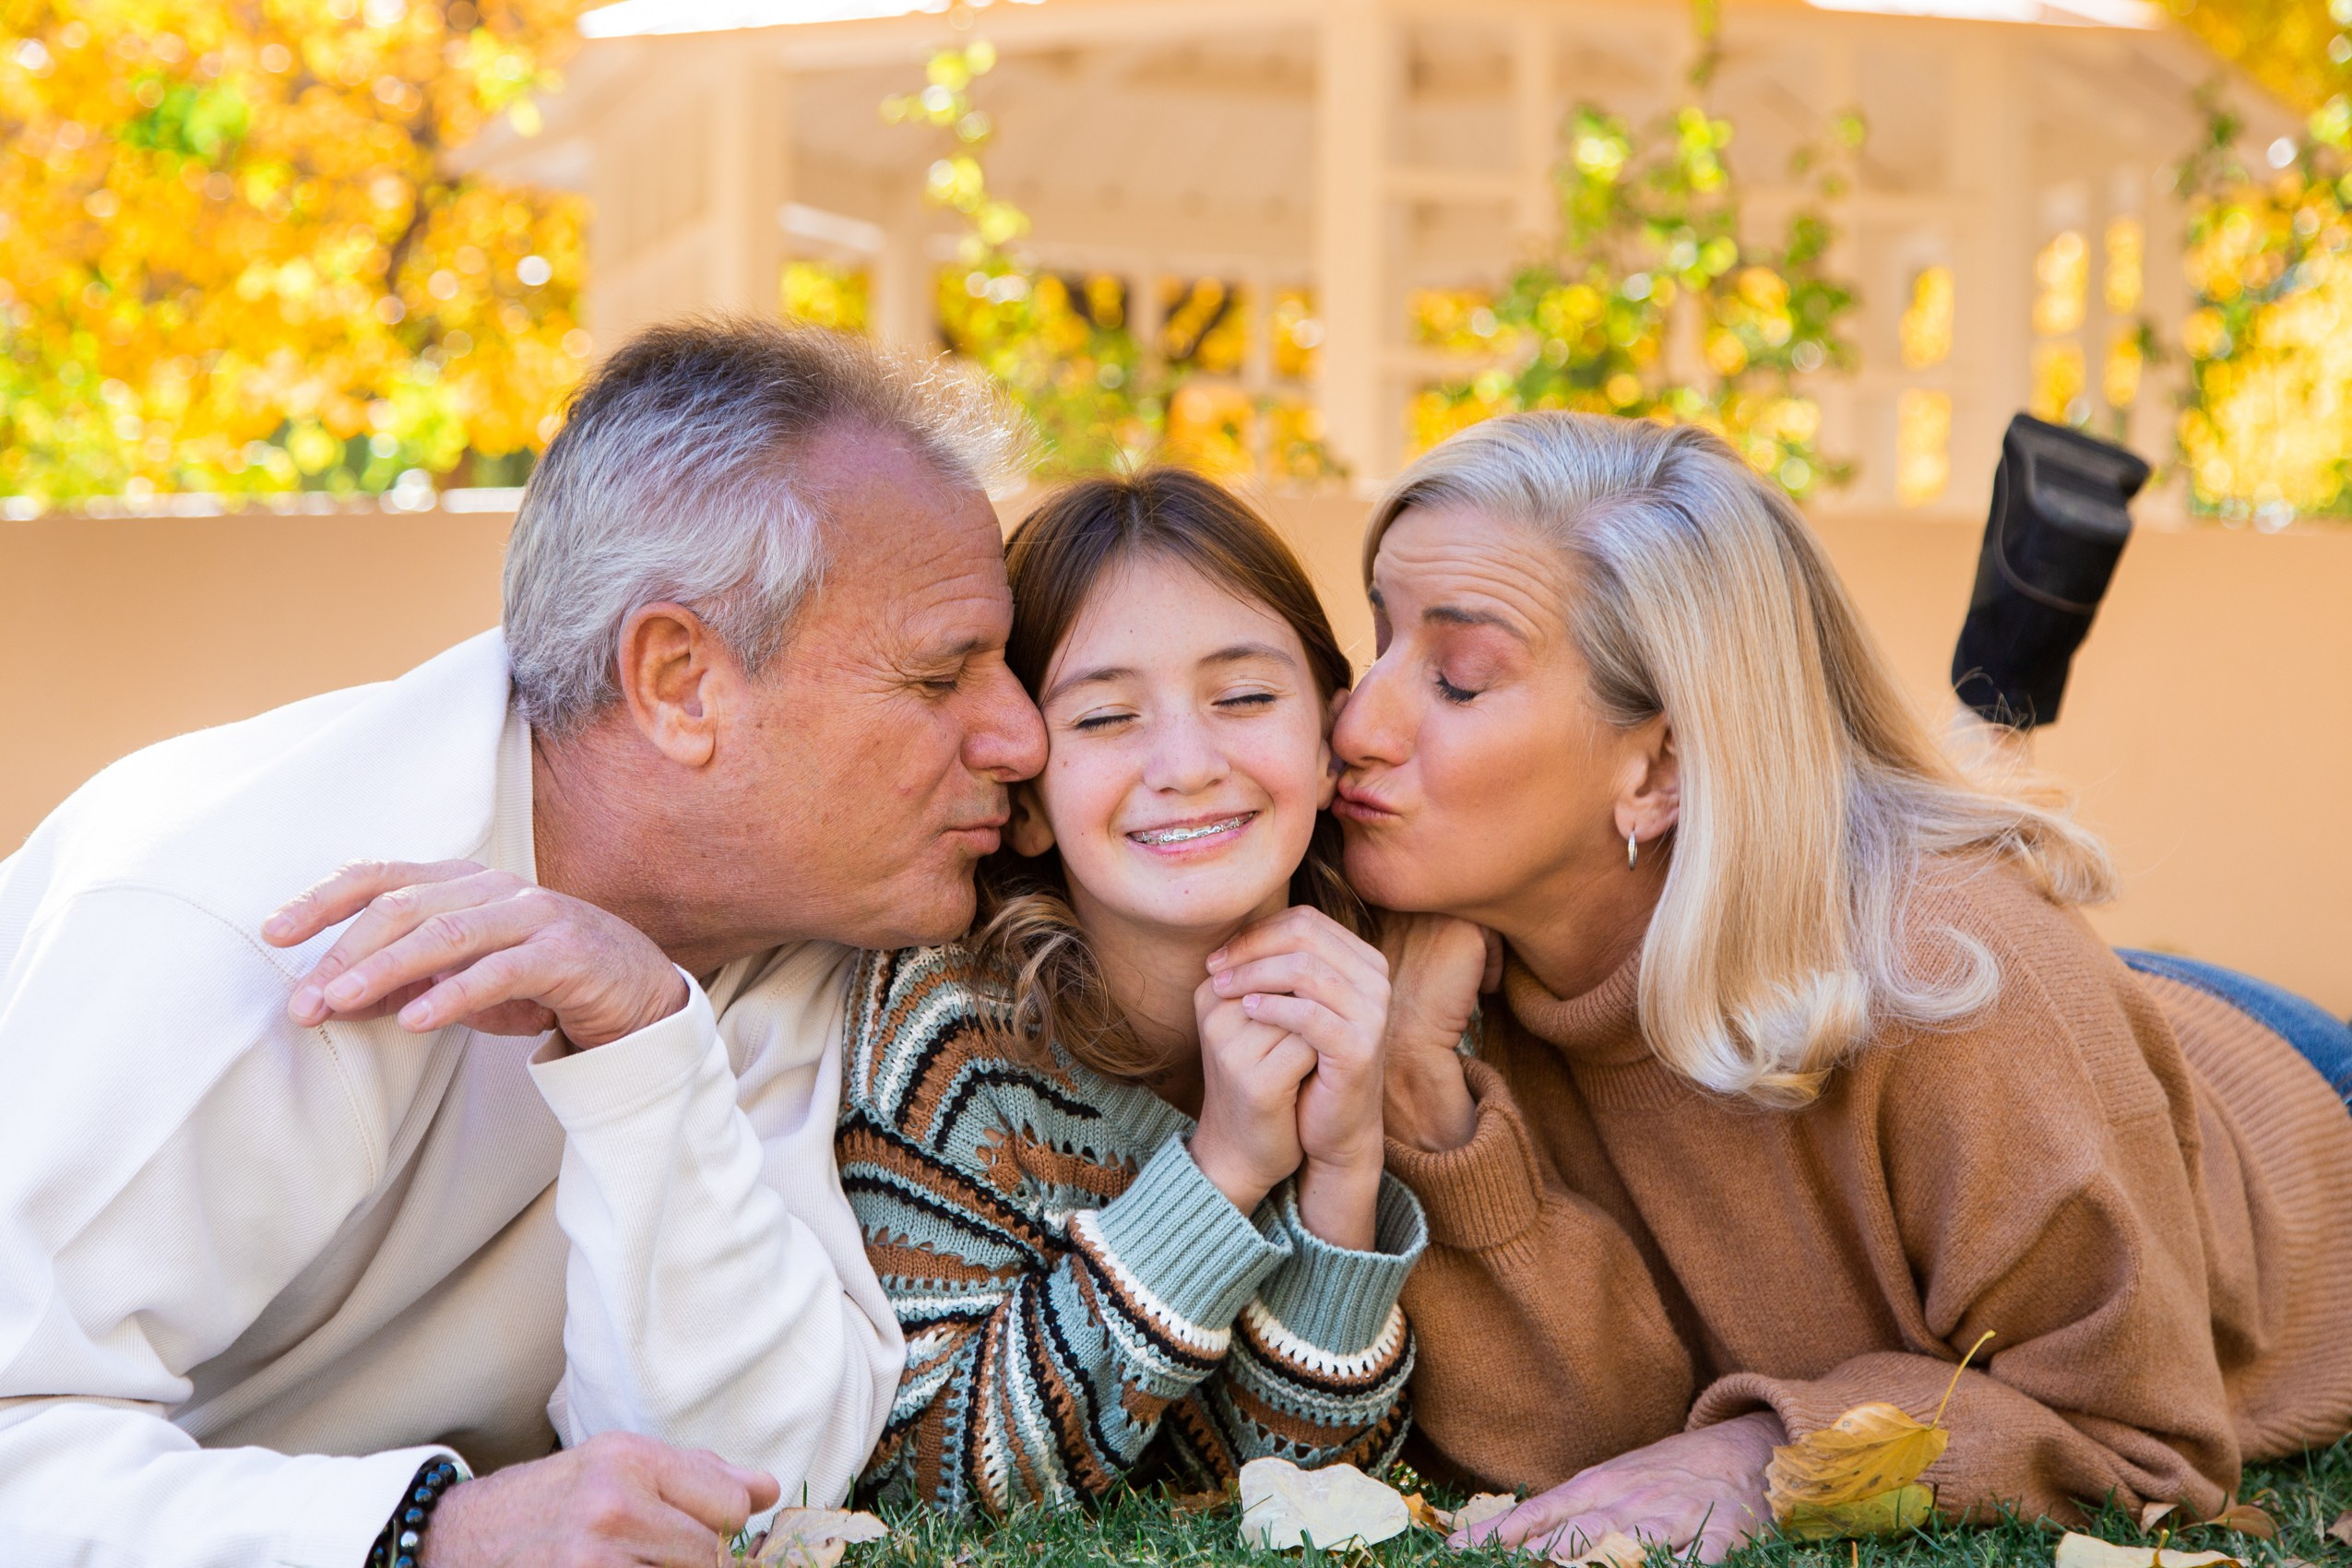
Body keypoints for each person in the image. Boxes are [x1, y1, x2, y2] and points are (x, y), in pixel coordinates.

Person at [0, 320, 1047, 1566]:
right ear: (679, 680)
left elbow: (755, 1473)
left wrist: (642, 1046)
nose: (1022, 737)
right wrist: (427, 1538)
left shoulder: (797, 925)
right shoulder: (245, 921)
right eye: (944, 676)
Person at [1247, 410, 2352, 1562]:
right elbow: (1581, 1437)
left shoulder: (1968, 991)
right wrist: (1427, 1092)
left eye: (1460, 680)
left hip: (2287, 1100)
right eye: (1376, 642)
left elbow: (2144, 1445)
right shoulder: (1408, 950)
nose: (1357, 722)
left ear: (1660, 763)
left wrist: (1769, 1453)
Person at [833, 470, 1426, 1514]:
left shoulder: (1371, 985)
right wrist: (1225, 1166)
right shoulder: (951, 1044)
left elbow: (1313, 1489)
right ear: (1025, 802)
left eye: (1244, 697)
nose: (1188, 764)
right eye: (1107, 717)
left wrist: (1342, 1167)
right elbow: (929, 1474)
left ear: (1328, 740)